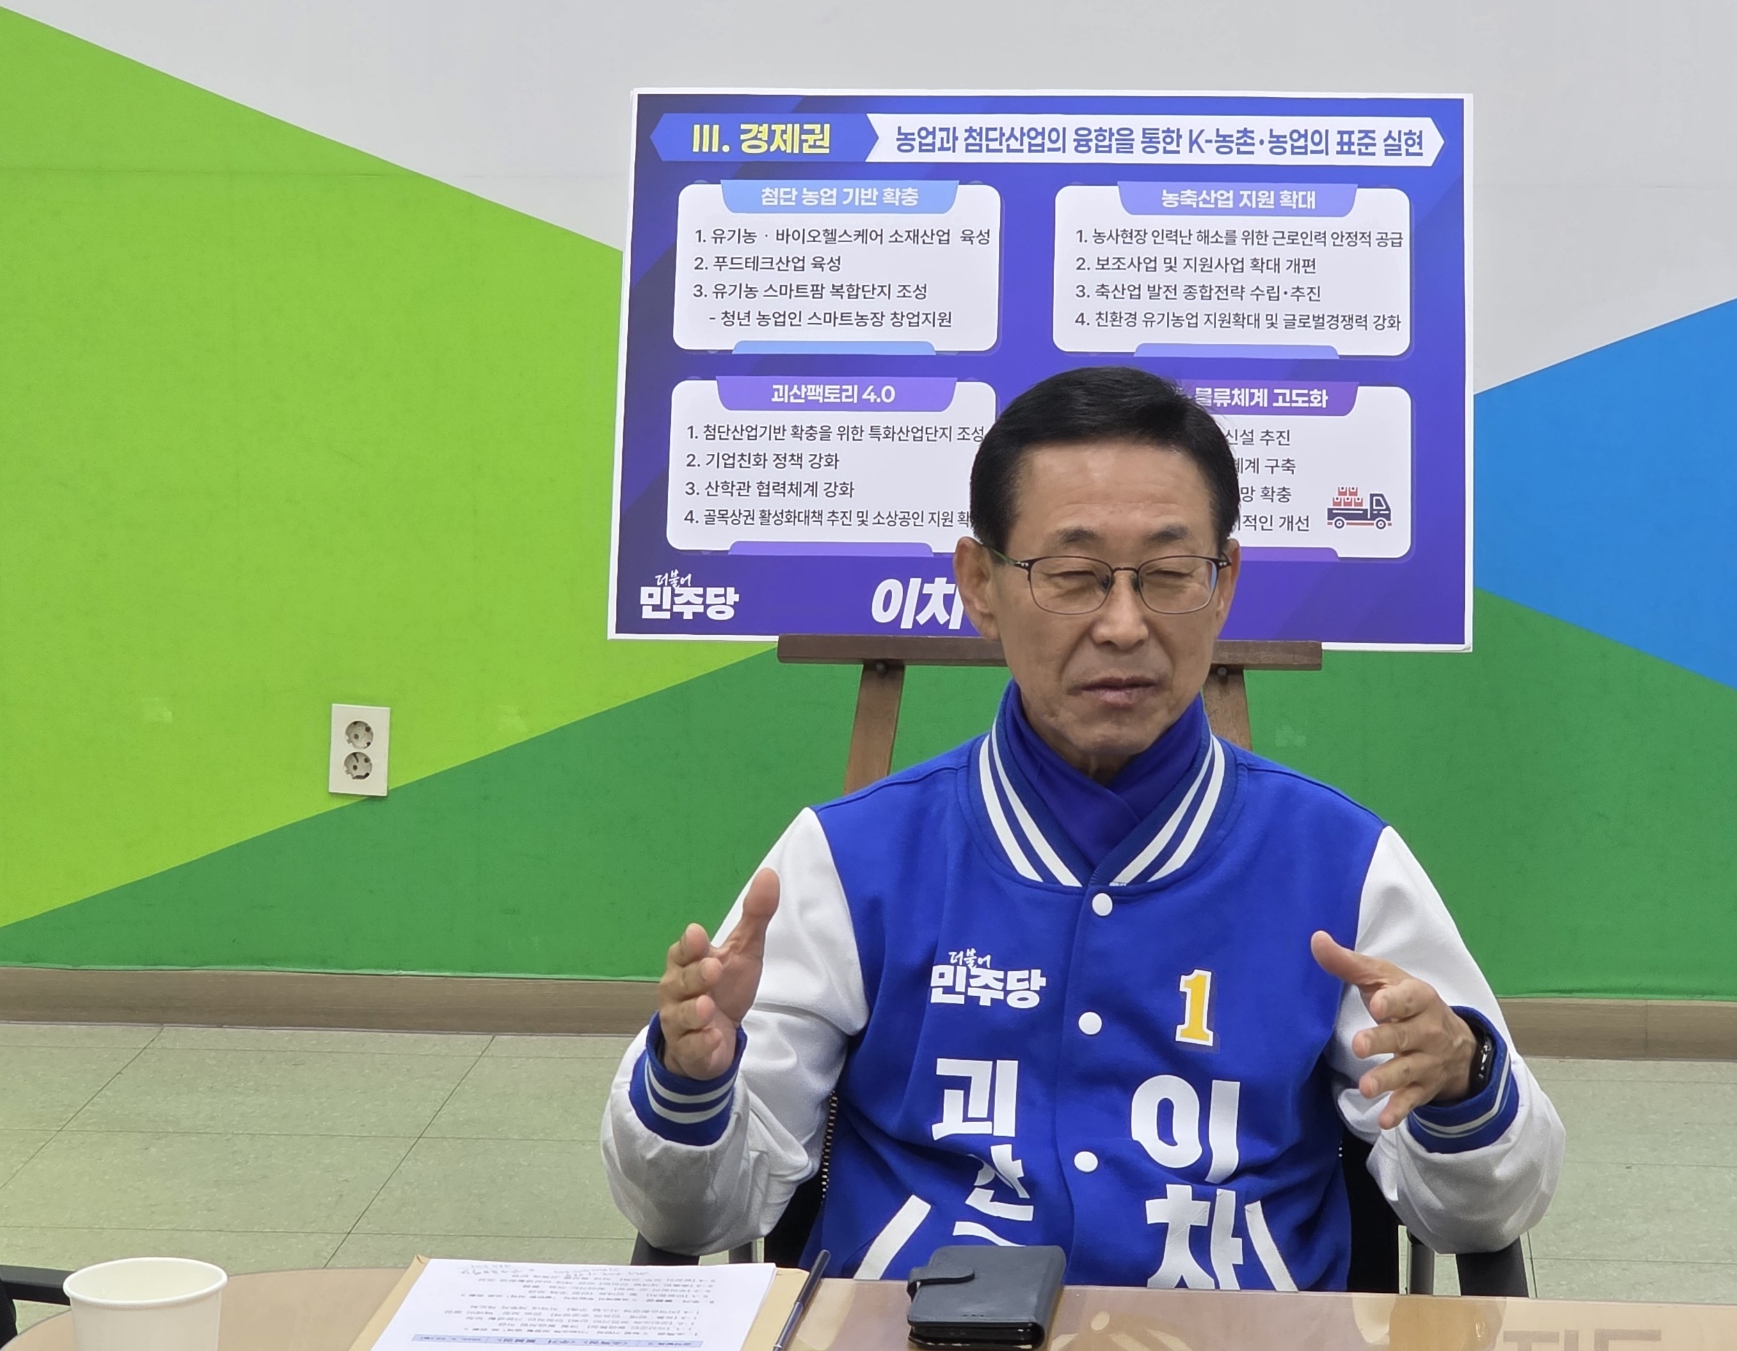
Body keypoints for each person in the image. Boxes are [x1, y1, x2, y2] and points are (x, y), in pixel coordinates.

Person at [601, 366, 1561, 1289]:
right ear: (979, 583)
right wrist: (690, 1080)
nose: (1124, 624)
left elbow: (1490, 1210)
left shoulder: (1340, 864)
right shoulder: (852, 861)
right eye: (1073, 574)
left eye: (1170, 573)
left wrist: (1464, 1078)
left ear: (1225, 580)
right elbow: (692, 1215)